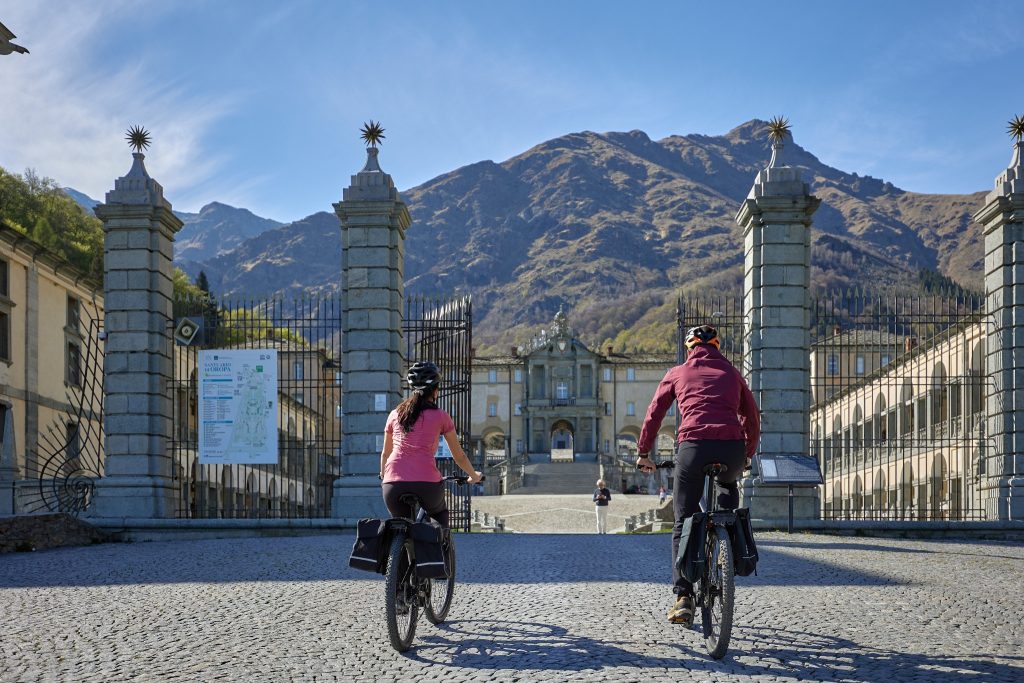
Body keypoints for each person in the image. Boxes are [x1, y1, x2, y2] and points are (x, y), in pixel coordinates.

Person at [635, 324, 760, 625]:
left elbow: (655, 412)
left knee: (684, 518)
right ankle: (727, 547)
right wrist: (747, 454)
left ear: (690, 348)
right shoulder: (732, 374)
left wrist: (643, 453)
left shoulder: (678, 373)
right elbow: (752, 415)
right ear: (717, 348)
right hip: (731, 447)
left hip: (693, 447)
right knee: (728, 485)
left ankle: (683, 598)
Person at [380, 361, 482, 528]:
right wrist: (474, 475)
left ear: (412, 389)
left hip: (393, 484)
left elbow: (385, 453)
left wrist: (384, 475)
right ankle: (436, 551)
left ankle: (397, 552)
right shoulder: (441, 416)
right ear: (436, 391)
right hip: (426, 483)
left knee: (401, 527)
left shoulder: (394, 414)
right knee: (439, 516)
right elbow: (459, 456)